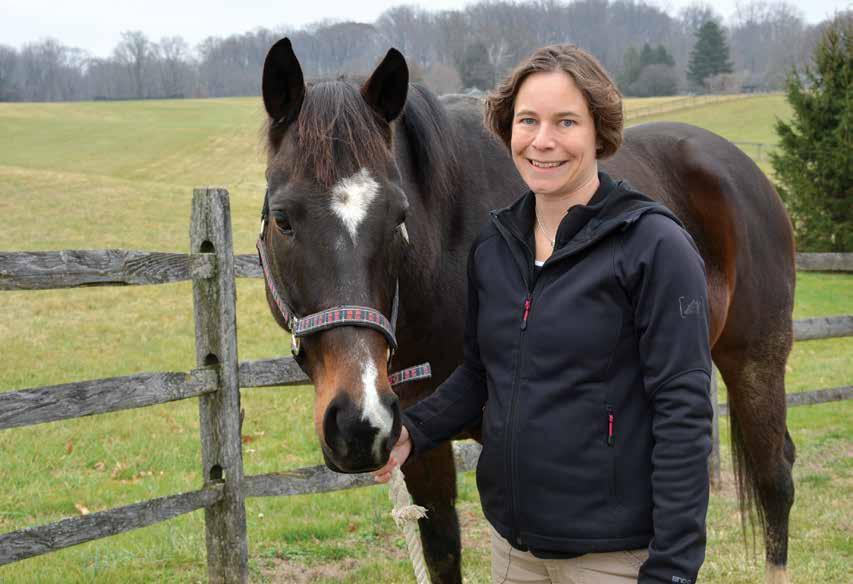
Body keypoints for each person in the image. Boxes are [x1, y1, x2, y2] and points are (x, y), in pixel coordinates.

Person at [374, 44, 712, 584]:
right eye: (527, 120)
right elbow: (481, 375)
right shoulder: (495, 247)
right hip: (515, 554)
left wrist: (672, 569)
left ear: (599, 132)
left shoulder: (652, 246)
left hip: (614, 560)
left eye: (566, 122)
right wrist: (413, 430)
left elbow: (684, 414)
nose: (543, 140)